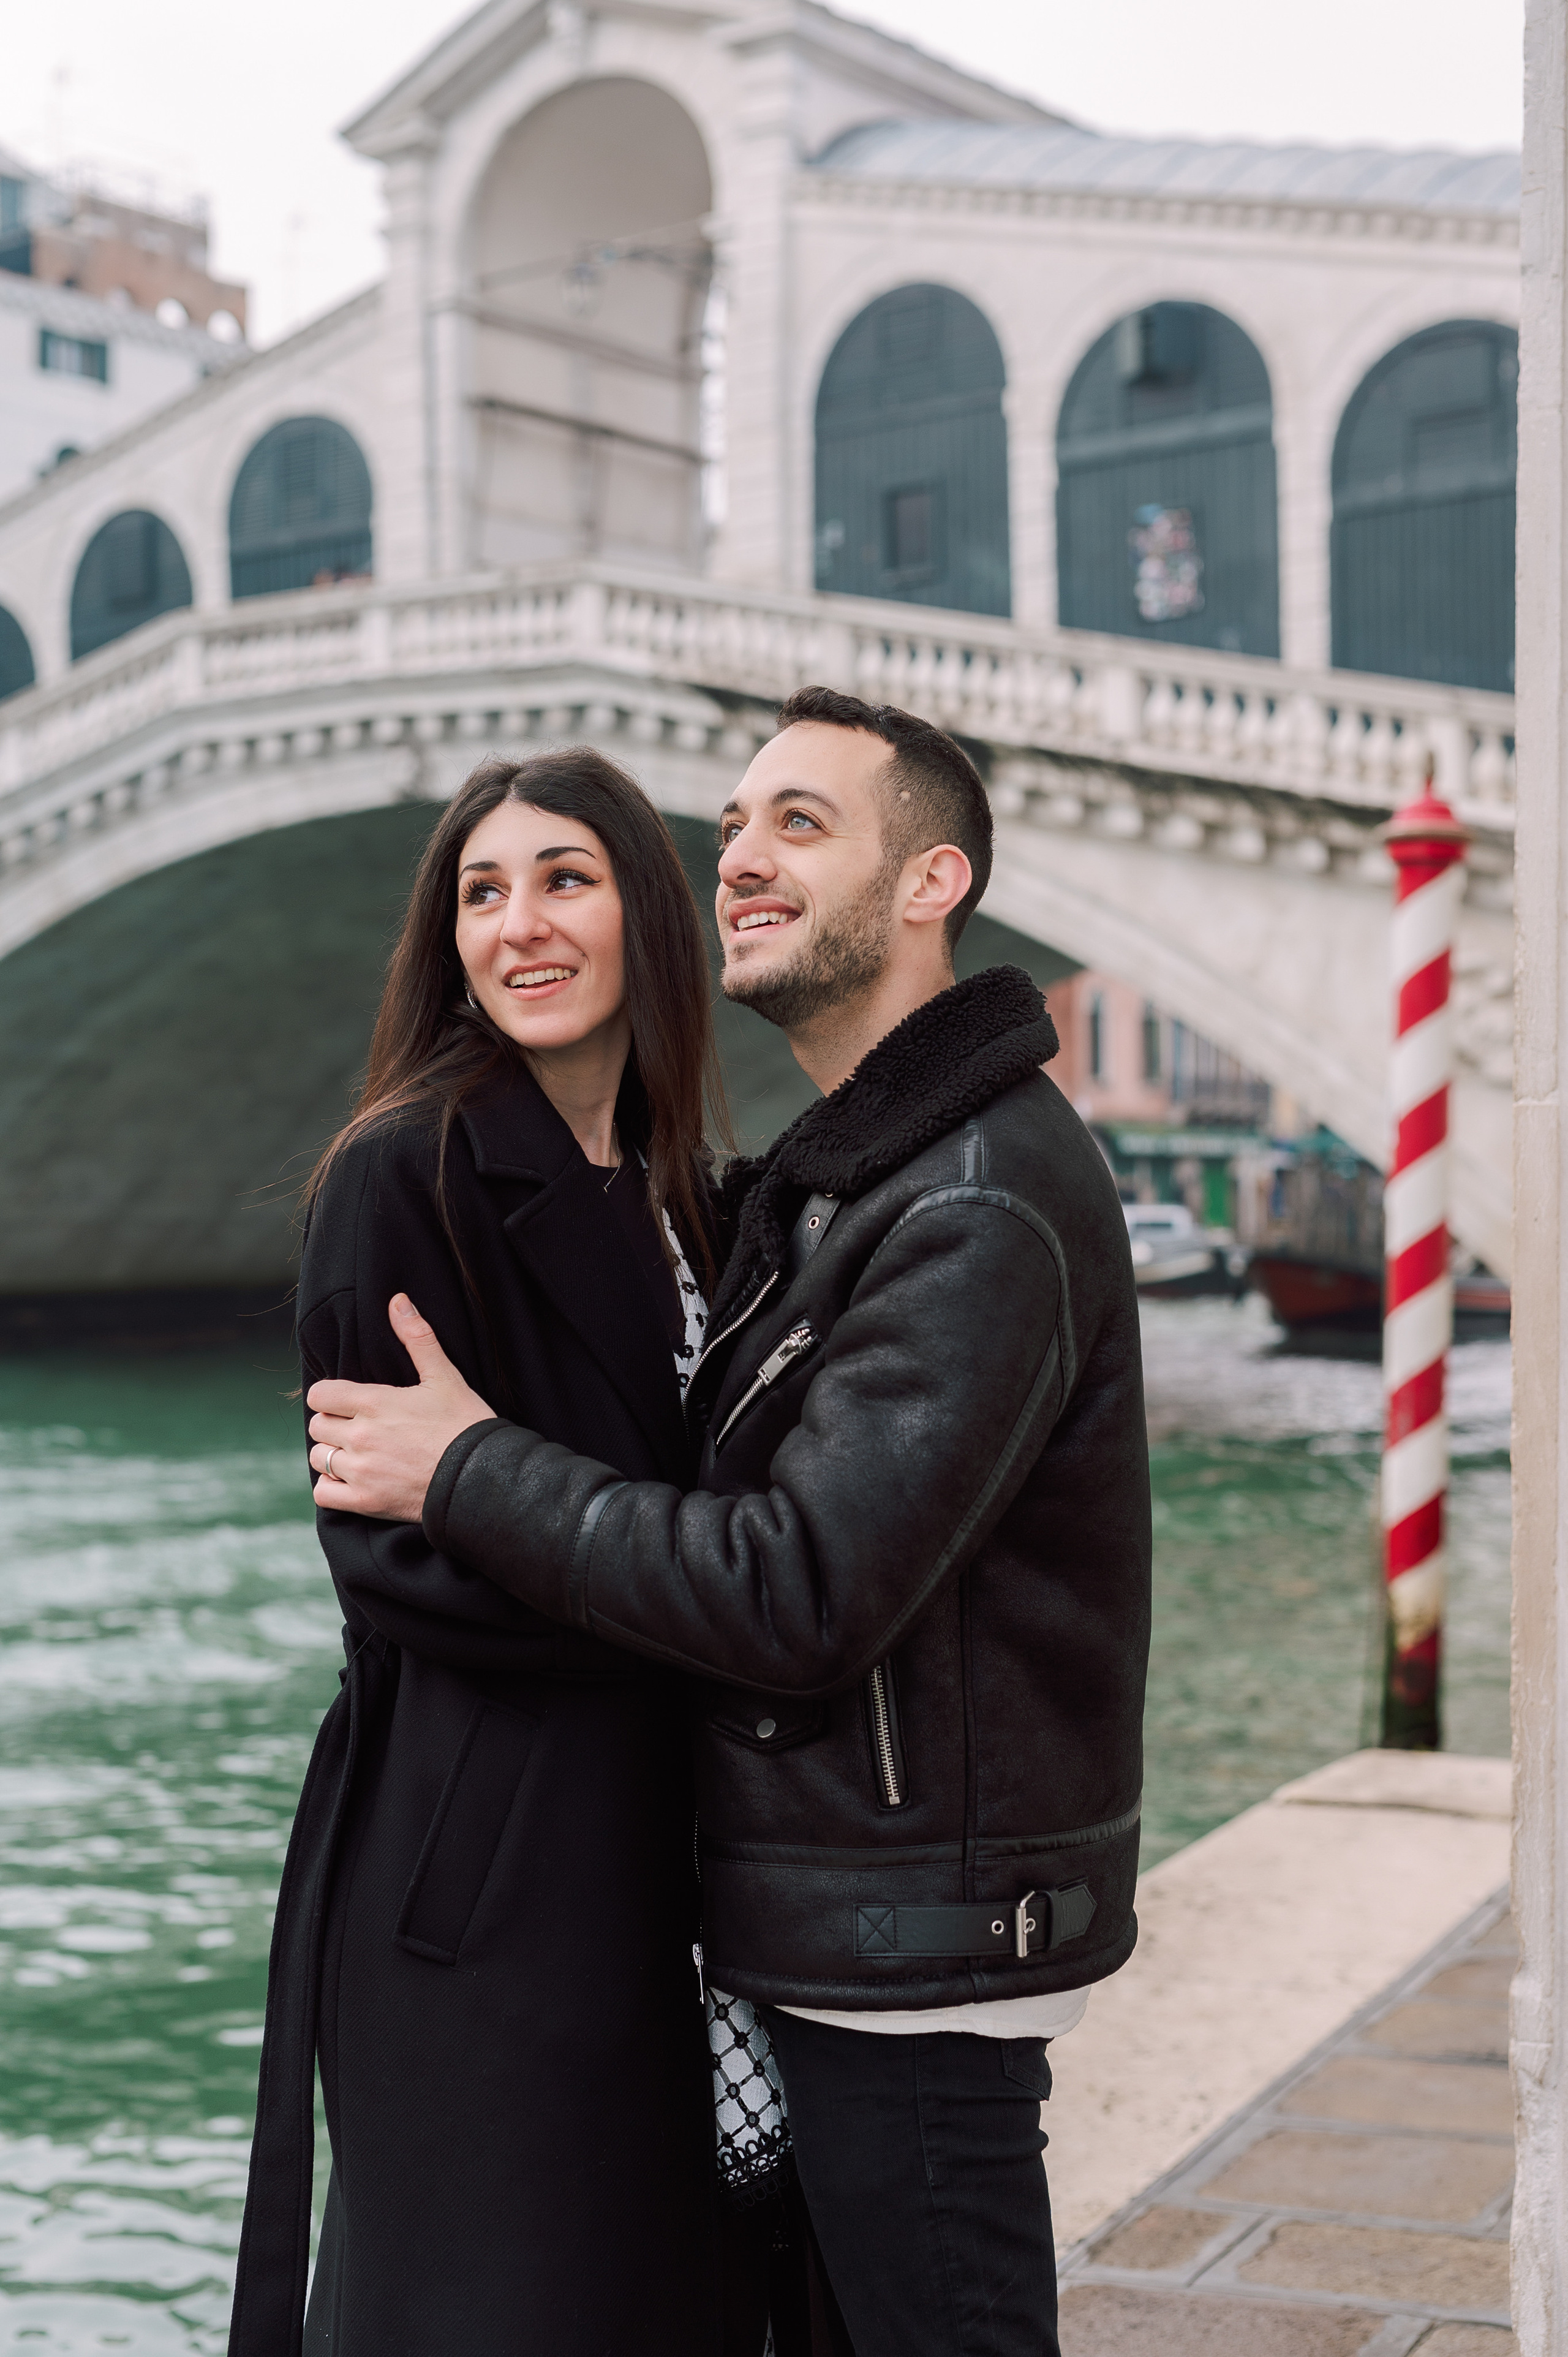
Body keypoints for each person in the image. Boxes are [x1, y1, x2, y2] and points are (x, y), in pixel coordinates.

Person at [306, 688, 1154, 2357]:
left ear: (931, 883)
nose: (746, 860)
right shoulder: (804, 1183)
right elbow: (390, 1546)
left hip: (888, 1918)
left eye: (802, 824)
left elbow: (796, 1581)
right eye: (735, 829)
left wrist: (480, 1471)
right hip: (584, 1879)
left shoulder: (943, 1196)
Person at [230, 747, 748, 2357]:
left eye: (564, 879)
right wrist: (712, 1601)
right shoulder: (403, 1173)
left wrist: (549, 1512)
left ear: (645, 916)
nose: (519, 925)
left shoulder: (689, 1199)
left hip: (668, 1862)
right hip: (482, 1879)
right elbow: (393, 1565)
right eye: (481, 891)